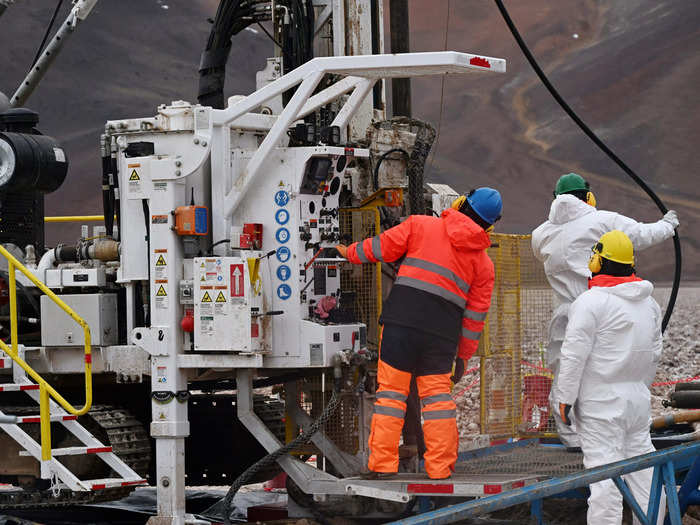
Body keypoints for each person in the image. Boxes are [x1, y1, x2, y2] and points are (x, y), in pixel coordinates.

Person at [336, 188, 501, 480]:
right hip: (441, 338)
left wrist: (348, 252)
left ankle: (382, 465)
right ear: (489, 225)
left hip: (400, 325)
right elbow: (475, 319)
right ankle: (439, 468)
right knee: (438, 403)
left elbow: (379, 248)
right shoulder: (484, 265)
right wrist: (462, 356)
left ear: (461, 203)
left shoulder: (420, 225)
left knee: (390, 396)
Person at [531, 173, 678, 445]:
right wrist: (667, 226)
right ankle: (611, 434)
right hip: (601, 308)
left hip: (564, 314)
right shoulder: (602, 221)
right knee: (608, 372)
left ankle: (573, 437)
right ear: (587, 196)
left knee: (566, 371)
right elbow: (640, 235)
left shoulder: (541, 234)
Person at [553, 230, 665, 524]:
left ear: (599, 261)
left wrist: (564, 400)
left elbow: (573, 356)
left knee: (605, 483)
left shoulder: (591, 303)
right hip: (637, 401)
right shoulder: (649, 303)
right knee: (645, 473)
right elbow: (654, 354)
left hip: (601, 405)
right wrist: (640, 387)